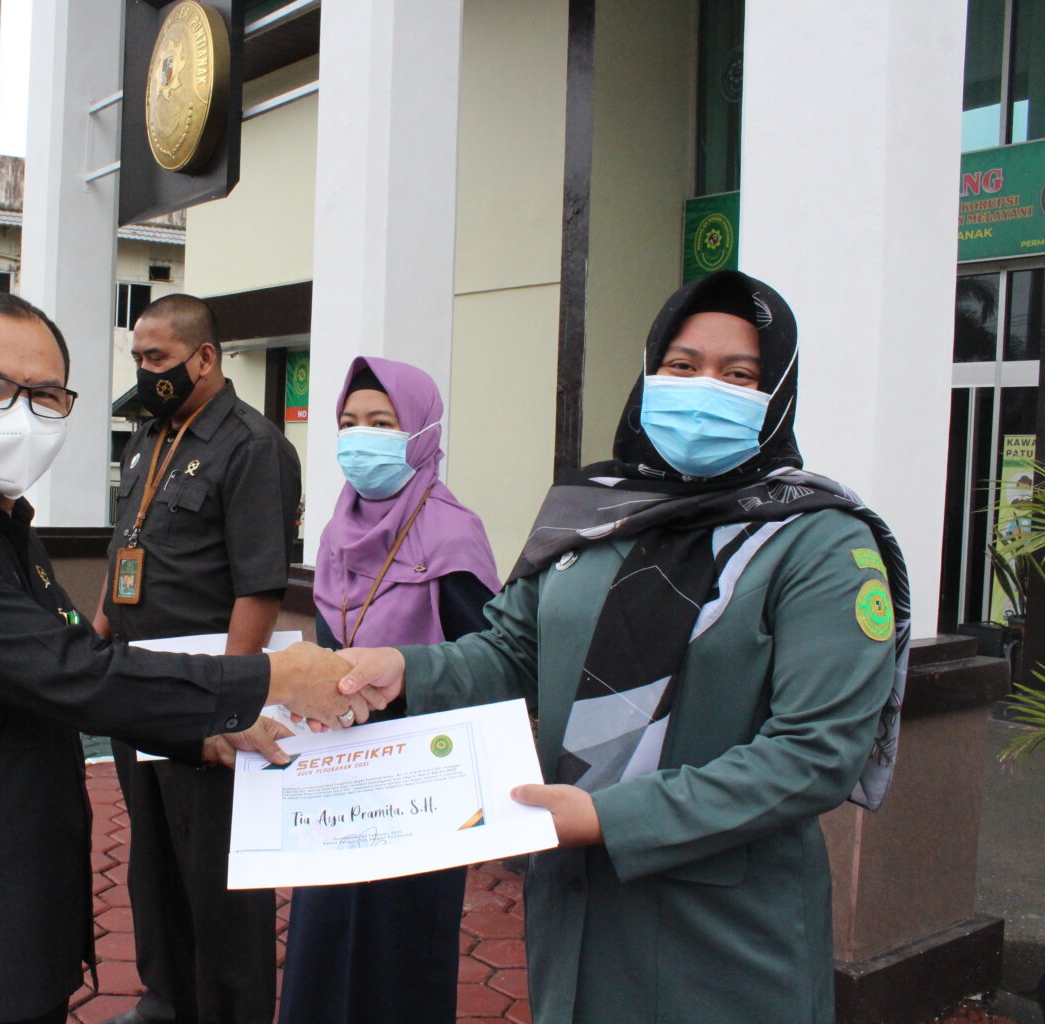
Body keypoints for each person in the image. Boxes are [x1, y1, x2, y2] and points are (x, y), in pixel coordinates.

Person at [333, 270, 911, 1024]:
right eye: (682, 365)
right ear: (648, 374)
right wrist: (402, 669)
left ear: (776, 395)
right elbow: (512, 653)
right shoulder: (593, 511)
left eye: (739, 375)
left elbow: (816, 752)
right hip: (577, 902)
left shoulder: (819, 543)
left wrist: (611, 820)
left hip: (725, 935)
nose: (704, 388)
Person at [0, 291, 365, 1024]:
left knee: (215, 889)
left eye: (45, 395)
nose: (20, 415)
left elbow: (72, 652)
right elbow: (73, 672)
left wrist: (207, 731)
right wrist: (270, 679)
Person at [91, 293, 300, 1024]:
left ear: (204, 357)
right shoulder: (148, 437)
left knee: (219, 878)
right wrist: (96, 641)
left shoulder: (253, 446)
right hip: (137, 686)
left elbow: (259, 587)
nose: (145, 372)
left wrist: (225, 705)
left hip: (204, 697)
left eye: (158, 358)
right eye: (138, 358)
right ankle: (167, 1003)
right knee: (154, 863)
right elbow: (125, 552)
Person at [278, 356, 502, 1024]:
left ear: (422, 434)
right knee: (323, 934)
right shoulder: (338, 531)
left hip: (420, 778)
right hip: (339, 772)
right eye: (349, 423)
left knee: (399, 949)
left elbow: (489, 662)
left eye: (382, 423)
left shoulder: (452, 533)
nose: (361, 438)